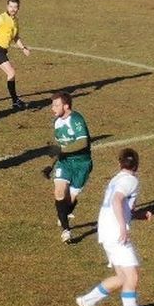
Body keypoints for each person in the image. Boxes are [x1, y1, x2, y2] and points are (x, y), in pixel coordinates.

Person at [74, 148, 154, 306]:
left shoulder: (117, 179)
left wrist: (138, 215)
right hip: (116, 233)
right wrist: (123, 228)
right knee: (132, 277)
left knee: (122, 278)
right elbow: (117, 201)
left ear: (120, 164)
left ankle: (87, 300)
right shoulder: (130, 180)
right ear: (137, 165)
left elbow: (119, 205)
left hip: (106, 231)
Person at [49, 91, 92, 243]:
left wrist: (61, 150)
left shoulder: (76, 119)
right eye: (52, 105)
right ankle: (66, 231)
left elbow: (83, 143)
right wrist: (51, 165)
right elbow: (60, 146)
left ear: (66, 106)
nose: (52, 108)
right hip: (65, 162)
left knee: (70, 200)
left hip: (82, 164)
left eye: (56, 105)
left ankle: (64, 214)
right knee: (59, 192)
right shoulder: (57, 122)